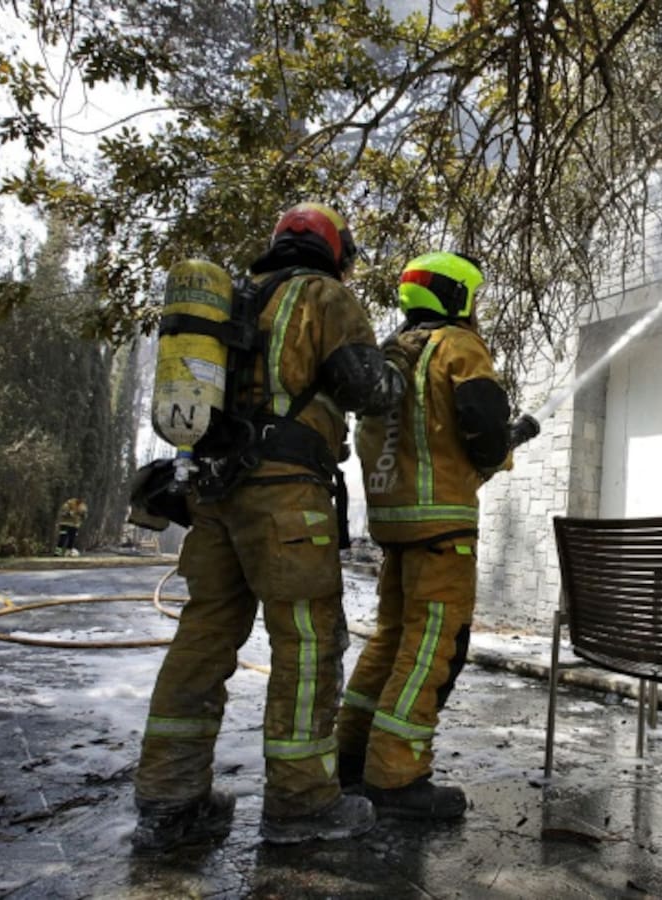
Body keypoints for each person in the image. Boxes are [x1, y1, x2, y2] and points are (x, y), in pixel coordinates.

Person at [131, 202, 410, 853]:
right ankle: (302, 802)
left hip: (214, 494)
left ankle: (169, 799)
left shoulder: (237, 299)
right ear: (335, 253)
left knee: (203, 638)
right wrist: (394, 367)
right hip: (286, 497)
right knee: (308, 644)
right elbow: (366, 388)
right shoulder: (324, 295)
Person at [335, 251, 539, 819]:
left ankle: (350, 755)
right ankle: (395, 776)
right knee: (430, 648)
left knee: (390, 640)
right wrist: (503, 443)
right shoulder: (459, 346)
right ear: (459, 296)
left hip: (395, 526)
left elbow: (419, 437)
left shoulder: (393, 354)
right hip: (442, 529)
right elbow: (483, 433)